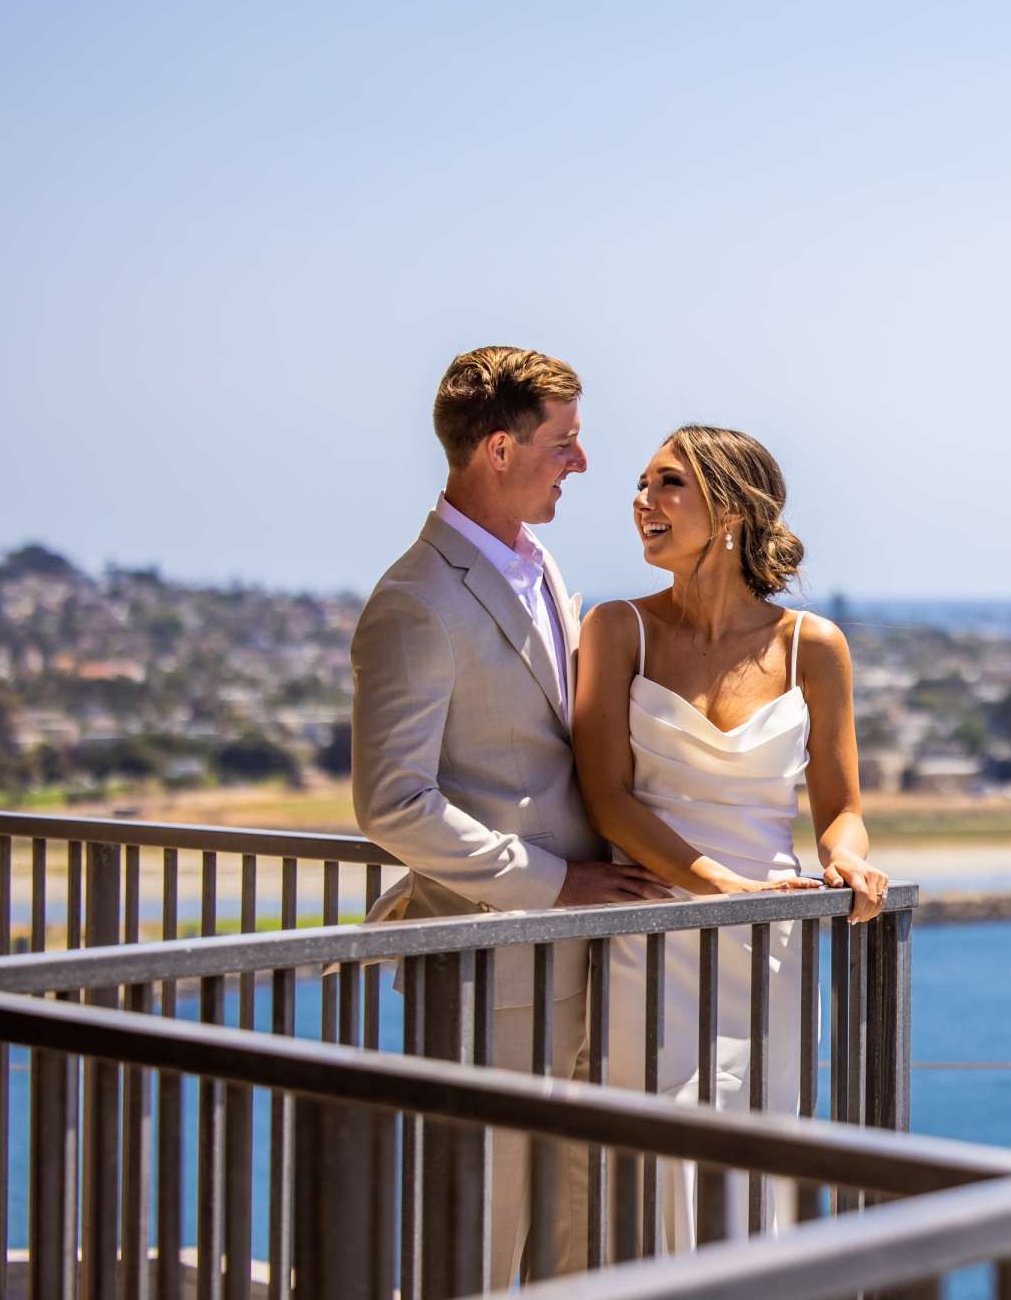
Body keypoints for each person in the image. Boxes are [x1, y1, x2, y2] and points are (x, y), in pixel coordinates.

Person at [349, 346, 671, 1285]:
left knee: (573, 1223)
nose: (581, 463)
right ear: (498, 449)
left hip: (585, 960)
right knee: (479, 1231)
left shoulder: (540, 565)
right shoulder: (415, 602)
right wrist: (555, 883)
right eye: (564, 443)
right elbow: (391, 802)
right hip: (491, 966)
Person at [573, 424, 889, 1248]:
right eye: (641, 484)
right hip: (650, 931)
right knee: (652, 1163)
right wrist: (711, 885)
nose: (643, 500)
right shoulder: (616, 630)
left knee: (756, 1158)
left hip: (769, 941)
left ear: (731, 511)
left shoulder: (811, 646)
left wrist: (847, 859)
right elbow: (607, 801)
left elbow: (841, 805)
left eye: (668, 483)